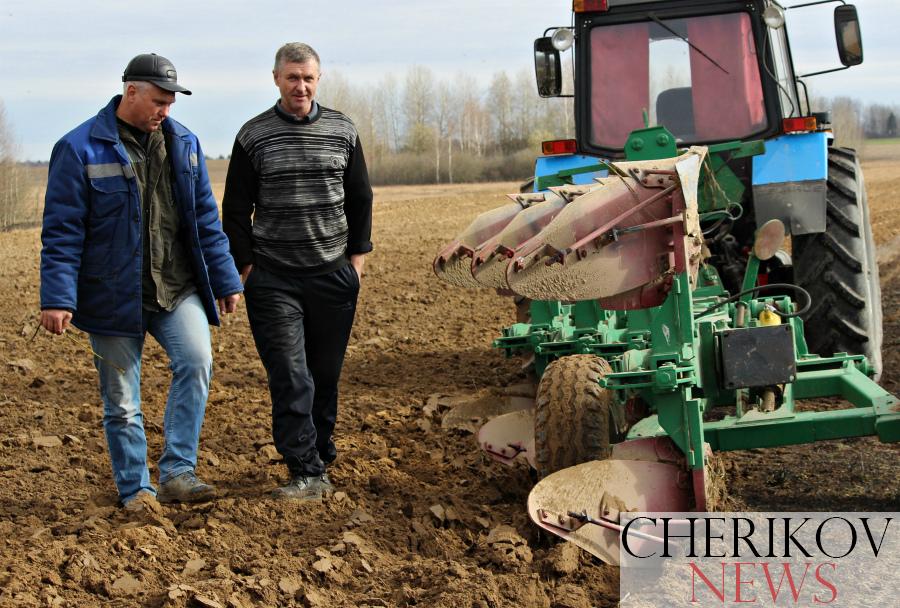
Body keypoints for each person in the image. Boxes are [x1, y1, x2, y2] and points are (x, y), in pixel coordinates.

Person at [39, 53, 244, 512]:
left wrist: (225, 278)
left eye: (170, 103)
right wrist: (56, 296)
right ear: (131, 91)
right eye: (158, 101)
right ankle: (136, 490)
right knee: (123, 401)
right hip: (111, 295)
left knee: (196, 362)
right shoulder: (79, 149)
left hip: (175, 288)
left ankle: (177, 472)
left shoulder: (184, 144)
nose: (165, 111)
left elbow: (205, 221)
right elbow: (62, 230)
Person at [223, 42, 373, 501]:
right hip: (274, 279)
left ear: (318, 79)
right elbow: (235, 209)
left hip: (332, 274)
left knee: (324, 375)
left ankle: (321, 455)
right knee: (291, 375)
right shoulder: (254, 135)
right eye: (292, 77)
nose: (300, 86)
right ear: (276, 79)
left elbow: (361, 197)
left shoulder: (342, 130)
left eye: (308, 78)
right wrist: (247, 267)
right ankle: (303, 469)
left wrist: (356, 262)